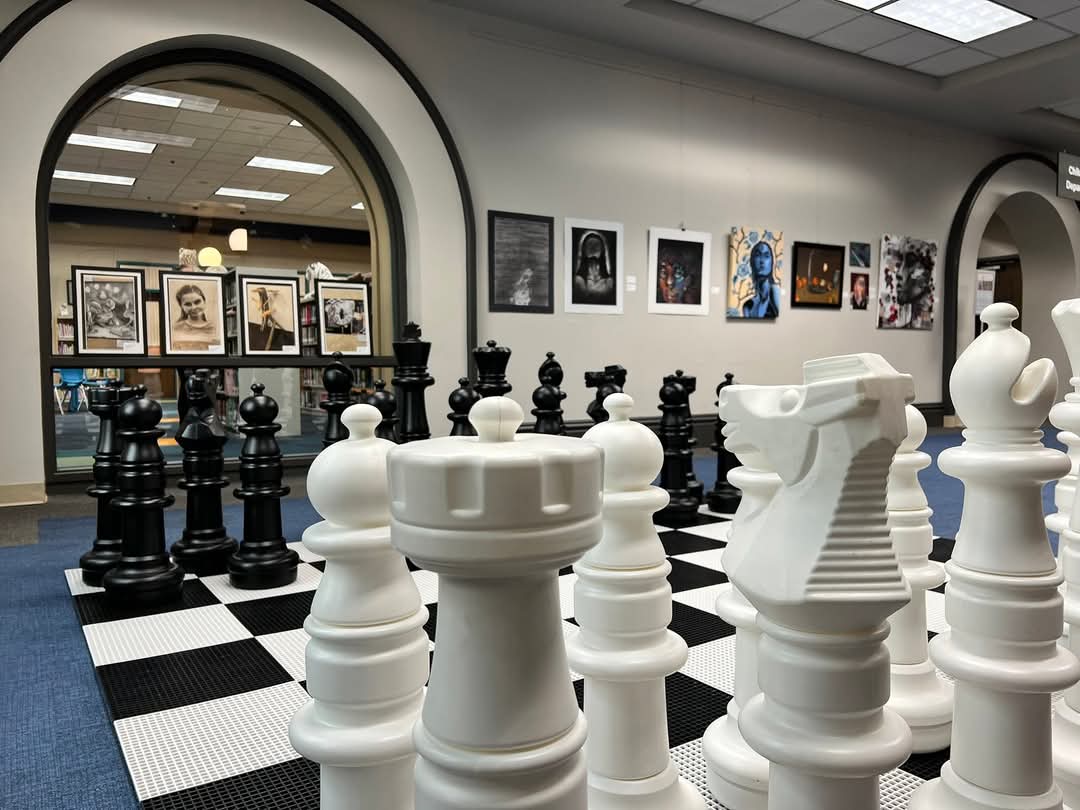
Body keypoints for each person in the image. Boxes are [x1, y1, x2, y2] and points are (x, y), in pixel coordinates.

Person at [170, 283, 219, 351]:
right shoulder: (175, 328)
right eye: (188, 304)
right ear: (181, 307)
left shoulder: (214, 328)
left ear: (204, 301)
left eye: (197, 302)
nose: (194, 307)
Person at [573, 231, 615, 305]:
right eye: (590, 245)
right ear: (584, 249)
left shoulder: (609, 281)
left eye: (596, 245)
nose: (593, 248)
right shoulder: (578, 280)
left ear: (602, 250)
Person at [742, 241, 780, 319]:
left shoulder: (774, 290)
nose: (762, 261)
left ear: (771, 262)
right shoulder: (747, 306)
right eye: (758, 255)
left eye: (766, 256)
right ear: (752, 262)